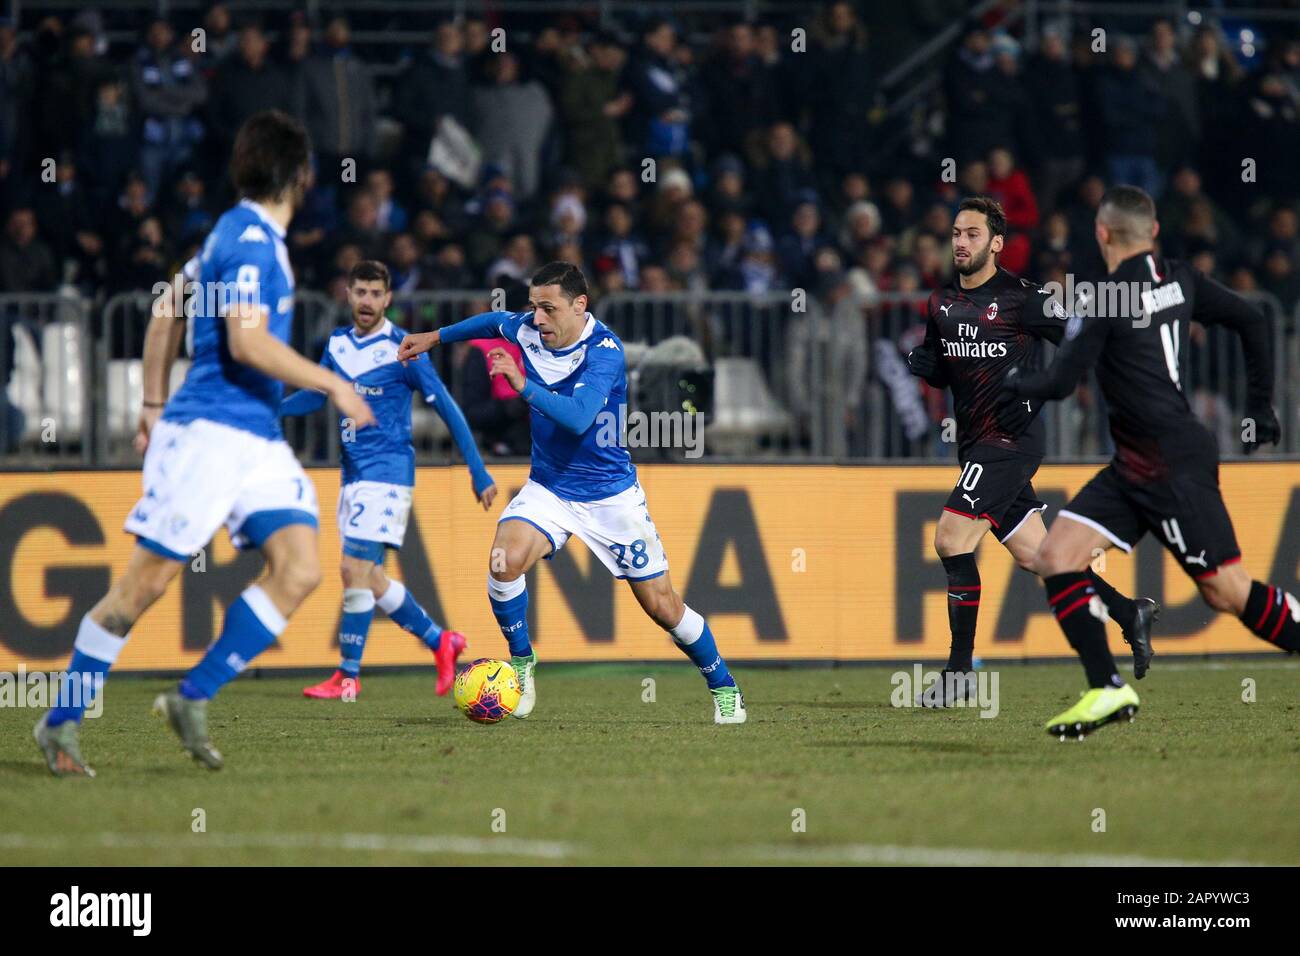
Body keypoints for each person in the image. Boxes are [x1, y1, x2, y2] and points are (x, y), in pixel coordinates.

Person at [33, 111, 377, 776]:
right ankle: (62, 719)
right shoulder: (249, 239)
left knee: (301, 567)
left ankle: (191, 696)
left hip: (253, 439)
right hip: (210, 434)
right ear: (300, 176)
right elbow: (247, 341)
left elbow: (166, 307)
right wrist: (334, 384)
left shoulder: (233, 232)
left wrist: (151, 403)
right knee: (145, 587)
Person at [1003, 185, 1295, 738]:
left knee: (1226, 591)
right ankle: (1106, 691)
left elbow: (1062, 382)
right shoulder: (1180, 278)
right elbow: (1252, 320)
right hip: (1141, 461)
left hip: (1170, 464)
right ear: (1154, 232)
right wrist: (1260, 405)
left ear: (1101, 234)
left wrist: (1018, 380)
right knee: (1057, 555)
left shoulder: (1105, 299)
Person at [397, 261, 746, 724]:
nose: (537, 319)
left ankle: (724, 686)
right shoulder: (525, 328)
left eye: (548, 308)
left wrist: (521, 385)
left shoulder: (604, 352)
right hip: (551, 488)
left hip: (610, 496)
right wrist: (434, 338)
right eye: (533, 307)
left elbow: (580, 417)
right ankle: (522, 662)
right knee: (504, 559)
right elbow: (488, 322)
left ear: (580, 306)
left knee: (663, 607)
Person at [906, 196, 1155, 707]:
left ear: (996, 244)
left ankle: (959, 676)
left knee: (952, 539)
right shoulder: (940, 304)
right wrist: (924, 363)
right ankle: (1130, 612)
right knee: (1042, 558)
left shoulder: (1025, 298)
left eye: (972, 234)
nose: (960, 242)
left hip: (1011, 442)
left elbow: (1080, 339)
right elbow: (943, 368)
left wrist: (1043, 385)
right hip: (976, 445)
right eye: (956, 233)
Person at [280, 260, 496, 699]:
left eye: (375, 294)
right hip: (353, 473)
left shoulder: (404, 348)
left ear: (388, 299)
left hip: (389, 471)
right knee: (369, 575)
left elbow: (447, 408)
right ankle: (441, 641)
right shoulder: (337, 344)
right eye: (360, 292)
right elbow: (315, 397)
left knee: (352, 568)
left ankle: (347, 676)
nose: (367, 301)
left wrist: (477, 469)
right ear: (348, 293)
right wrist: (273, 410)